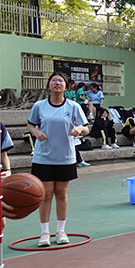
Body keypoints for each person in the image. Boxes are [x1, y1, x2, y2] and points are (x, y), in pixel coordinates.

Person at [27, 72, 90, 247]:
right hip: (43, 157)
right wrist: (35, 131)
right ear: (48, 85)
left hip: (65, 157)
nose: (57, 83)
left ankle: (61, 231)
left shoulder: (73, 106)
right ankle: (44, 233)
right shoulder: (39, 106)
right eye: (53, 80)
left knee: (61, 193)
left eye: (60, 81)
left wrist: (79, 129)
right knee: (46, 194)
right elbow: (30, 124)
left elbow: (86, 128)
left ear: (66, 86)